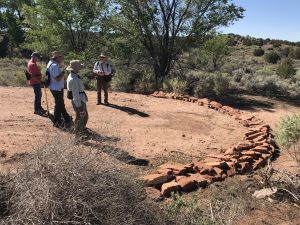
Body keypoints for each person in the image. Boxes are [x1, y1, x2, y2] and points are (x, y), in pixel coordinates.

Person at [47, 51, 72, 128]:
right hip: (56, 87)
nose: (62, 58)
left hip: (54, 87)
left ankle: (66, 117)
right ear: (57, 58)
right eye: (61, 57)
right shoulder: (54, 66)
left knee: (60, 103)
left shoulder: (50, 63)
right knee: (59, 104)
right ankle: (56, 121)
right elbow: (57, 78)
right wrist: (63, 72)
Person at [66, 60, 88, 136]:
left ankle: (81, 132)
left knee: (84, 117)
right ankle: (78, 136)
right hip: (78, 100)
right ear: (75, 69)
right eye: (79, 67)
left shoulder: (72, 76)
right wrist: (80, 107)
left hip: (80, 98)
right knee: (80, 117)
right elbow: (75, 95)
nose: (80, 69)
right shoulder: (74, 79)